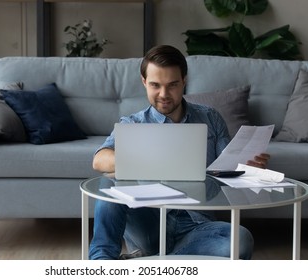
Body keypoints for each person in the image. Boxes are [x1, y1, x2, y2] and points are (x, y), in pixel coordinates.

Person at [89, 45, 270, 260]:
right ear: (144, 82)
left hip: (196, 225)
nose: (164, 94)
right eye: (155, 85)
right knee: (108, 182)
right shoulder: (133, 124)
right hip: (150, 222)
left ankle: (151, 261)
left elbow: (227, 169)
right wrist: (142, 157)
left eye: (172, 85)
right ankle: (101, 263)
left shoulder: (210, 118)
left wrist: (247, 168)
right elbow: (99, 160)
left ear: (184, 81)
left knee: (241, 239)